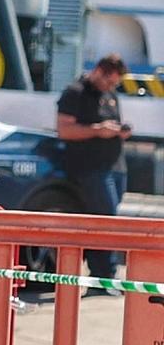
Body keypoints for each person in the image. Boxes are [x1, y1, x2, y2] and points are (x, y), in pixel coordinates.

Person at [55, 53, 132, 280]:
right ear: (98, 71)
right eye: (109, 81)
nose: (110, 86)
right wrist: (98, 130)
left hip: (115, 165)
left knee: (109, 219)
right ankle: (105, 274)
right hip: (91, 168)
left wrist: (119, 131)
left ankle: (102, 274)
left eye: (114, 83)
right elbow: (65, 130)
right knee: (103, 220)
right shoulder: (75, 93)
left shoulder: (110, 95)